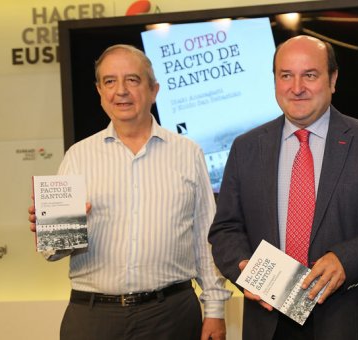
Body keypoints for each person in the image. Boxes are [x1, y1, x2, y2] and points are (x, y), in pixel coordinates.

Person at [208, 35, 358, 340]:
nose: (297, 88)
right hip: (270, 323)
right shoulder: (246, 148)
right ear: (275, 82)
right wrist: (243, 266)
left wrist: (345, 260)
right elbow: (226, 228)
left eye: (309, 75)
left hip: (349, 320)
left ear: (333, 79)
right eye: (286, 76)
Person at [27, 44, 231, 340]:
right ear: (100, 91)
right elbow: (54, 251)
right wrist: (53, 230)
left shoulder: (188, 153)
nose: (120, 91)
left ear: (154, 90)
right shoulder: (77, 156)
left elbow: (204, 238)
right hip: (93, 317)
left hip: (171, 315)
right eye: (110, 81)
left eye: (132, 80)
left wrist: (215, 309)